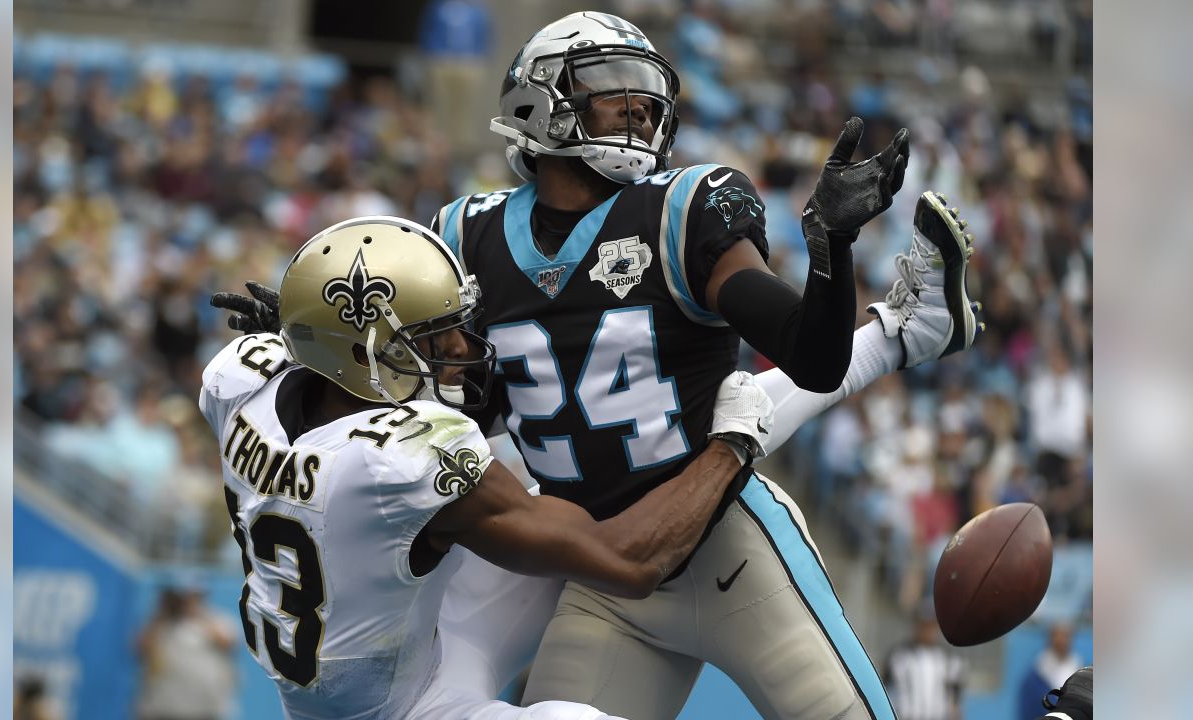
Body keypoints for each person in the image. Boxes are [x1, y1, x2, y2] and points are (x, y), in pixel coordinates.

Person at [212, 13, 979, 718]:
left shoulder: (681, 209)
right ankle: (907, 328)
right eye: (613, 91)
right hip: (599, 569)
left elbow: (810, 356)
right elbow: (426, 373)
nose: (637, 109)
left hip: (727, 546)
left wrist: (830, 252)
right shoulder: (465, 233)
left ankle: (905, 327)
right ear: (536, 103)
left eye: (647, 97)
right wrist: (307, 337)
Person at [197, 215, 774, 720]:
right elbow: (630, 562)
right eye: (431, 337)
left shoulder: (240, 376)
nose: (457, 349)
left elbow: (299, 366)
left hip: (346, 670)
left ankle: (870, 340)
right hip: (404, 707)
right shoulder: (398, 458)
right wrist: (729, 449)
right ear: (361, 355)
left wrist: (301, 331)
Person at [134, 586, 238, 720]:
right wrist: (162, 614)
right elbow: (140, 649)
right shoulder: (160, 623)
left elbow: (228, 644)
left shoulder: (217, 619)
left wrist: (197, 614)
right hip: (161, 707)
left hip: (204, 709)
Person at [883, 605, 965, 720]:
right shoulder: (898, 656)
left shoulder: (949, 659)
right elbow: (884, 689)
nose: (926, 631)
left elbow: (955, 699)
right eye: (922, 625)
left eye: (930, 626)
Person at [1019, 623, 1084, 717]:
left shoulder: (1079, 671)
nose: (1062, 641)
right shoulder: (1036, 675)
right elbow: (1027, 710)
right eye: (1058, 636)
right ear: (1050, 639)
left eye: (1065, 636)